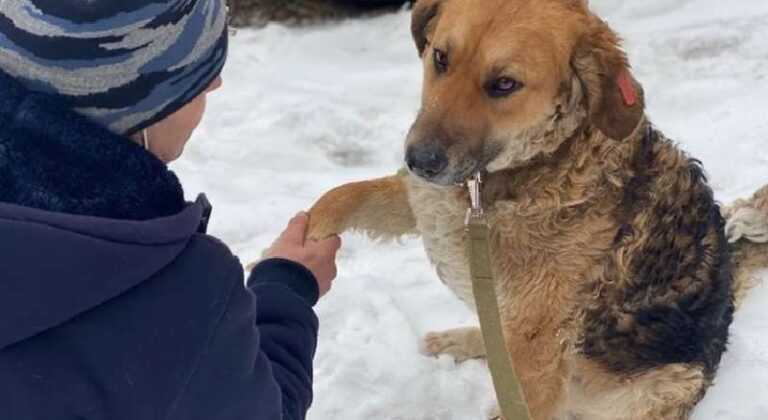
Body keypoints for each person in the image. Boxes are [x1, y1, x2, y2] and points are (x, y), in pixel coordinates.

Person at [0, 1, 341, 419]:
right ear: (134, 106)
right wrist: (287, 288)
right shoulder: (179, 293)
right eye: (193, 75)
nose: (215, 83)